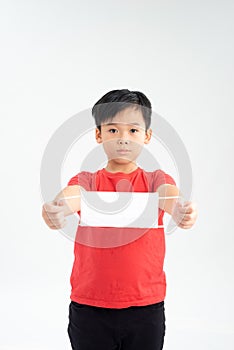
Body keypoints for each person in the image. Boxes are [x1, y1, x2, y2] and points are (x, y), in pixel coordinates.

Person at [42, 89, 198, 350]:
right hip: (90, 308)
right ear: (98, 135)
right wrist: (56, 210)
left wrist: (181, 209)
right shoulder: (87, 181)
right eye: (113, 130)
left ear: (147, 136)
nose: (123, 138)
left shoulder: (154, 180)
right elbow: (70, 197)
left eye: (133, 130)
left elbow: (169, 196)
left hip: (146, 308)